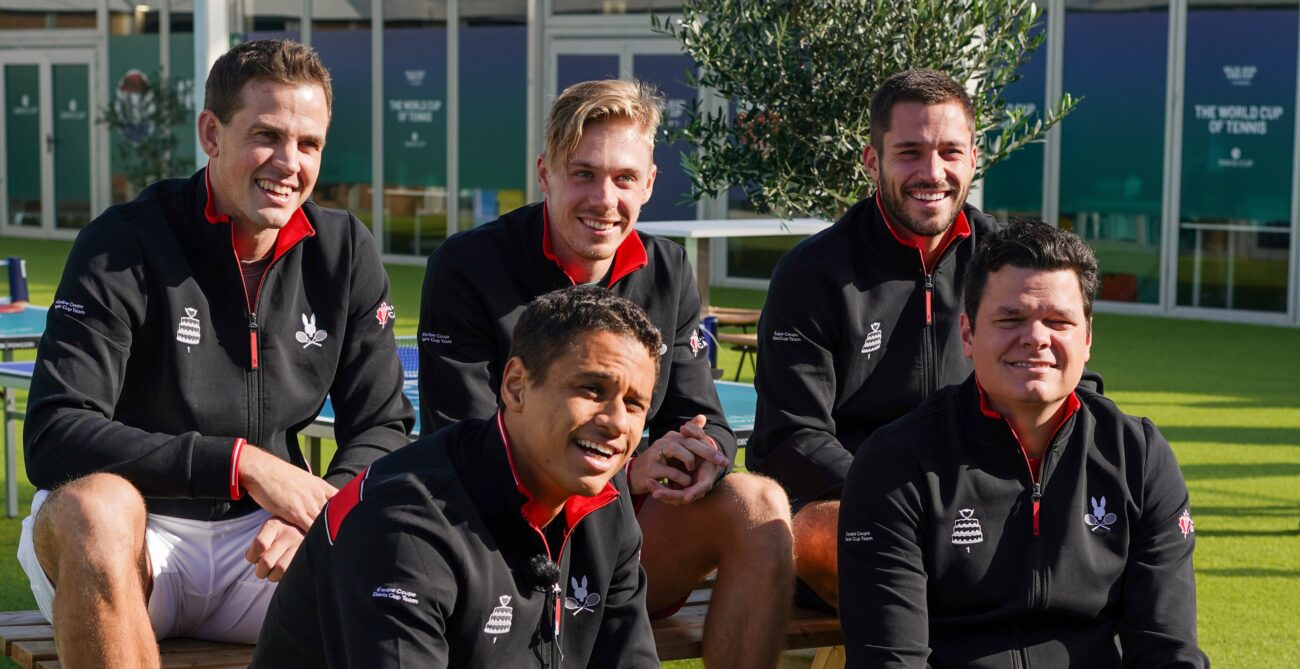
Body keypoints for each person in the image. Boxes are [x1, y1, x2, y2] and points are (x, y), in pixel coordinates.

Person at [16, 39, 414, 668]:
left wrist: (321, 504)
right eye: (266, 135)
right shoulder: (122, 242)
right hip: (136, 540)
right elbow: (53, 433)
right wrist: (240, 464)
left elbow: (385, 425)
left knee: (411, 555)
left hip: (265, 545)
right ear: (211, 133)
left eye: (308, 144)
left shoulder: (344, 251)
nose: (289, 163)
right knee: (94, 508)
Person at [418, 79, 794, 667]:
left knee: (760, 500)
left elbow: (708, 420)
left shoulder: (668, 270)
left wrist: (696, 455)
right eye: (583, 174)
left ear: (648, 184)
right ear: (545, 174)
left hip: (629, 540)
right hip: (499, 540)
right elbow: (463, 447)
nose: (604, 198)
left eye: (623, 178)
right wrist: (624, 470)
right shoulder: (468, 267)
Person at [838, 221, 1208, 667]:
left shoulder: (1138, 456)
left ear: (1087, 338)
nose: (1035, 338)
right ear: (968, 334)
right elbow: (891, 661)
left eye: (1058, 321)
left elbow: (1167, 650)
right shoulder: (897, 464)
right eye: (1011, 319)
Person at [253, 286, 660, 668]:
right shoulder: (404, 524)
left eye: (635, 403)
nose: (616, 423)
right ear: (516, 386)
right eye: (591, 389)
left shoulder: (606, 499)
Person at [749, 68, 998, 610]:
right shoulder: (812, 274)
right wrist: (910, 497)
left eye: (950, 152)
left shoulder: (1007, 261)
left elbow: (1068, 387)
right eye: (909, 152)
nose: (932, 172)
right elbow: (789, 438)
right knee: (836, 534)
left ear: (974, 159)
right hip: (858, 508)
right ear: (871, 161)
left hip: (985, 504)